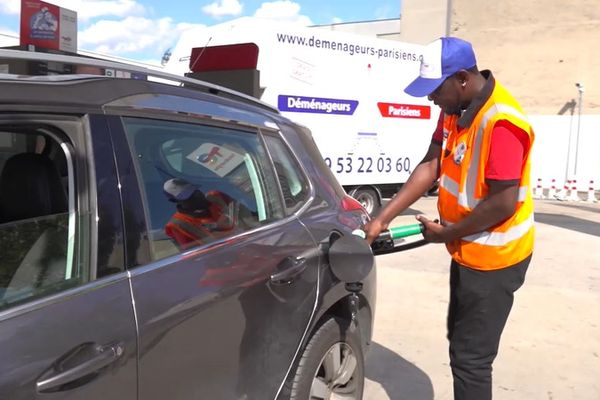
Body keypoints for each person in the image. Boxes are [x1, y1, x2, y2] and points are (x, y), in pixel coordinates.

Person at [365, 37, 534, 400]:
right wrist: (382, 219)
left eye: (434, 90)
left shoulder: (502, 123)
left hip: (494, 259)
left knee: (471, 360)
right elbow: (431, 165)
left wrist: (448, 233)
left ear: (461, 78)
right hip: (466, 247)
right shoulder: (455, 110)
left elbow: (504, 203)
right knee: (461, 346)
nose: (430, 99)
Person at [163, 178, 235, 248]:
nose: (195, 195)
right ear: (174, 200)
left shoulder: (217, 197)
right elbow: (195, 254)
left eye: (193, 190)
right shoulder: (178, 224)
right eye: (186, 195)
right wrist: (218, 228)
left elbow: (244, 213)